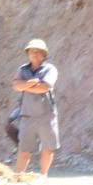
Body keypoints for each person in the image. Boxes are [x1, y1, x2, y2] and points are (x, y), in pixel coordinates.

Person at [11, 39, 60, 177]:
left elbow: (44, 87)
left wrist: (25, 86)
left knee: (48, 148)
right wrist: (32, 83)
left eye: (38, 52)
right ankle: (19, 177)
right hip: (27, 114)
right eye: (32, 51)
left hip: (47, 115)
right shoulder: (22, 69)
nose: (35, 54)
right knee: (24, 148)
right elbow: (15, 86)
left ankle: (43, 176)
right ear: (28, 53)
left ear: (44, 54)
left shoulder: (50, 69)